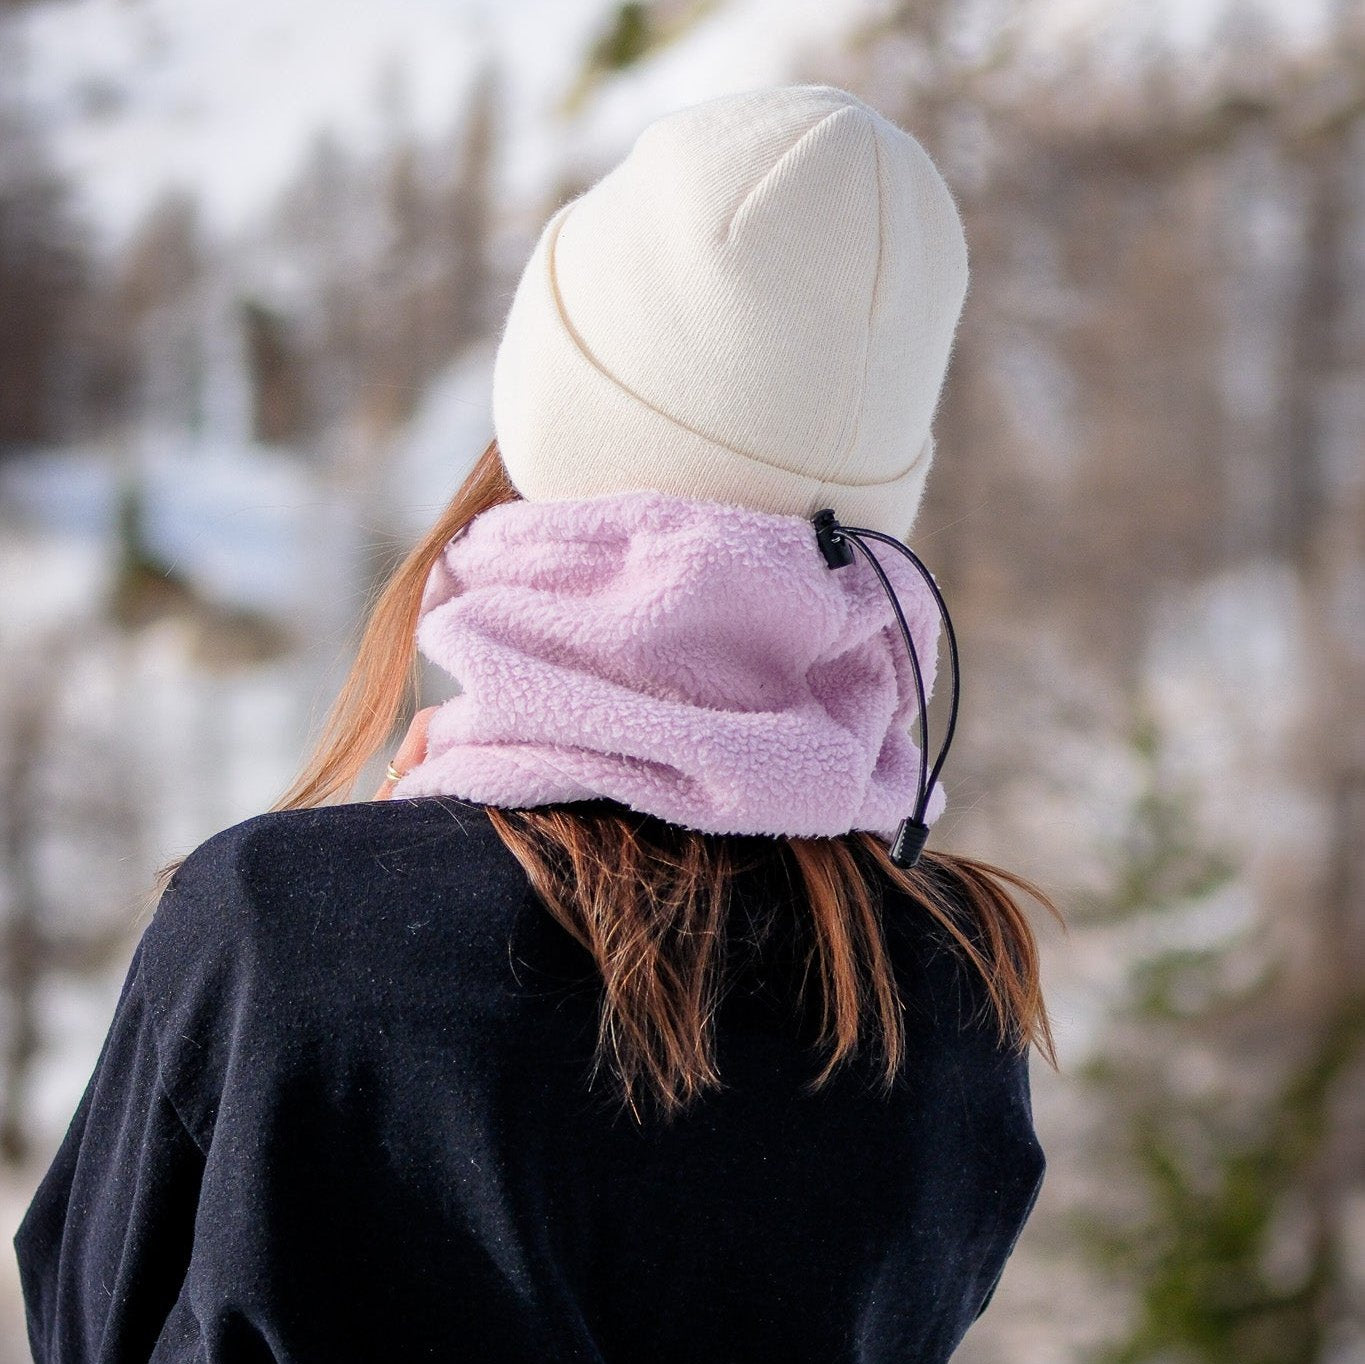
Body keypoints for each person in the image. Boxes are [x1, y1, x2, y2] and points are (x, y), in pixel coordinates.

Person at [13, 82, 1063, 1363]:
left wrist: (372, 892)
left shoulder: (281, 929)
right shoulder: (954, 990)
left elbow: (89, 1322)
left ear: (551, 414)